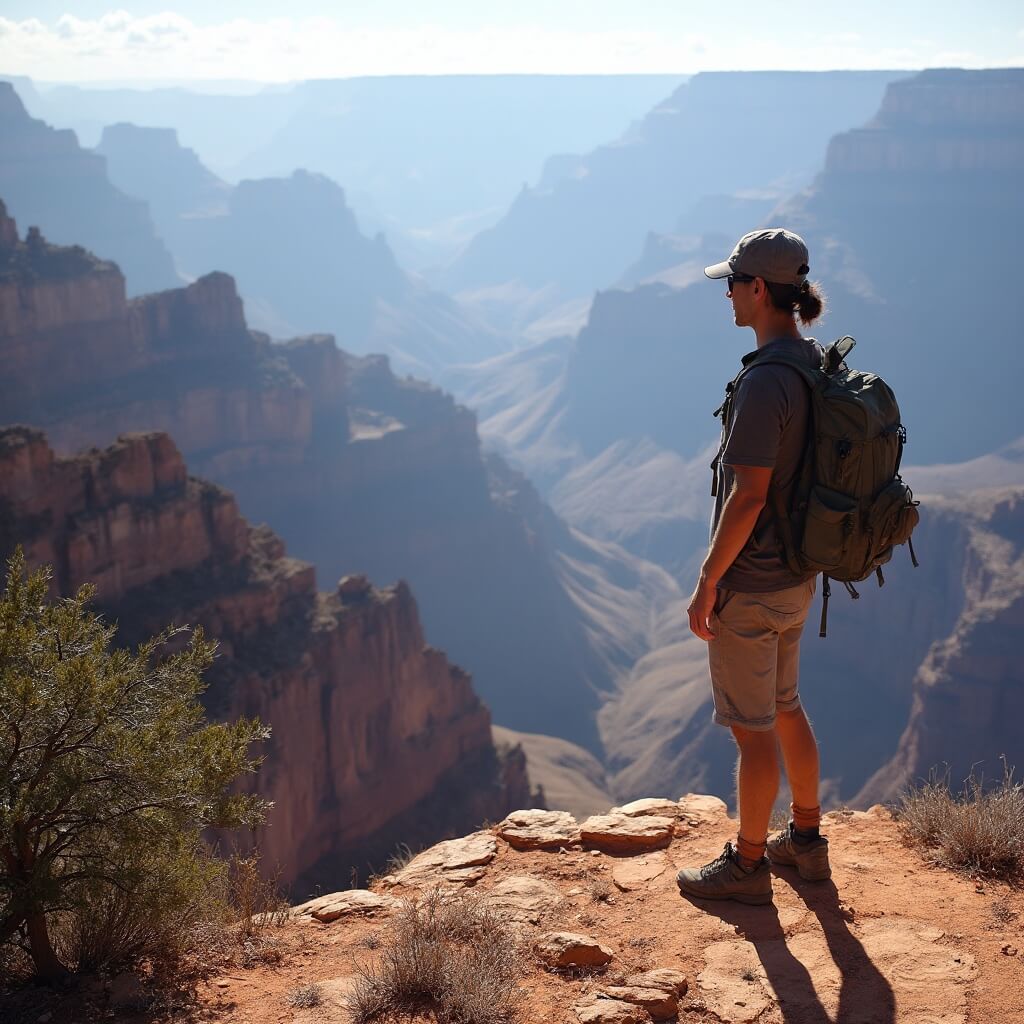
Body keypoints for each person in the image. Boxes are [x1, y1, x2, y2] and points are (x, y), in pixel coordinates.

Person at [675, 228, 832, 906]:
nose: (728, 295)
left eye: (733, 283)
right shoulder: (812, 361)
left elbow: (749, 494)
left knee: (753, 730)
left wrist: (709, 581)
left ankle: (746, 865)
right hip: (800, 576)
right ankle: (805, 840)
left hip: (757, 581)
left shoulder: (767, 381)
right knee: (787, 706)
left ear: (759, 289)